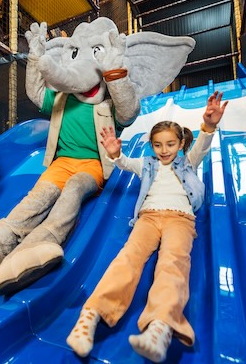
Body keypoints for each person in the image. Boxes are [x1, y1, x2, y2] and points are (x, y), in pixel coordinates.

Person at [66, 91, 227, 362]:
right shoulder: (148, 164)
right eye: (158, 145)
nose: (164, 150)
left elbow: (203, 145)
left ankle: (161, 327)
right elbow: (126, 163)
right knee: (128, 259)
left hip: (180, 219)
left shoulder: (188, 162)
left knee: (173, 264)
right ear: (151, 145)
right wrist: (116, 154)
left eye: (170, 144)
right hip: (148, 218)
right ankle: (89, 318)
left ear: (180, 144)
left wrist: (209, 125)